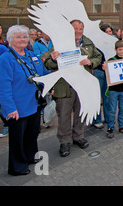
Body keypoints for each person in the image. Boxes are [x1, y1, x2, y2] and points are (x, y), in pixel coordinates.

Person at [0, 25, 50, 176]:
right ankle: (17, 166)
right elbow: (2, 87)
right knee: (17, 139)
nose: (22, 39)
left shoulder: (32, 56)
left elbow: (45, 74)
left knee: (32, 134)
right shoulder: (4, 60)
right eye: (18, 37)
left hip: (34, 104)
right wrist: (10, 108)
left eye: (24, 36)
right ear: (9, 40)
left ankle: (31, 156)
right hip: (17, 107)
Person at [44, 20, 102, 157]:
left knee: (80, 112)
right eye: (75, 28)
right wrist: (53, 59)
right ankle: (64, 141)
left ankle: (78, 136)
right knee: (64, 114)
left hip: (82, 85)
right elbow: (47, 64)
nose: (78, 31)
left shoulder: (88, 42)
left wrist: (91, 62)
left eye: (80, 28)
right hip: (65, 86)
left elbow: (98, 57)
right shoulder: (60, 43)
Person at [103, 41, 123, 138]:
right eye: (120, 49)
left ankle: (121, 126)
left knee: (122, 109)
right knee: (112, 110)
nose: (122, 51)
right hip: (113, 90)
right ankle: (110, 128)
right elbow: (107, 74)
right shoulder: (111, 61)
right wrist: (105, 69)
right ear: (116, 50)